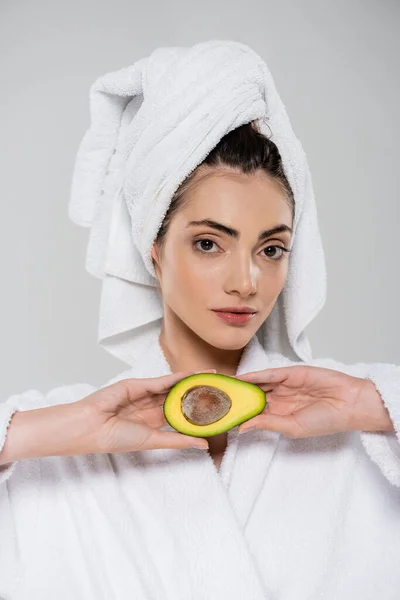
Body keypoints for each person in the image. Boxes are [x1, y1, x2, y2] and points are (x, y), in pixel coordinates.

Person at [1, 41, 399, 600]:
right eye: (210, 243)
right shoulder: (56, 449)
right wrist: (56, 430)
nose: (246, 281)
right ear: (155, 248)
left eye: (272, 249)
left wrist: (371, 405)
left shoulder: (357, 426)